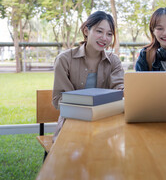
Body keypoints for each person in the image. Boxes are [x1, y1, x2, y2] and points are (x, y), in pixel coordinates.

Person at [52, 11, 124, 140]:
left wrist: (125, 92)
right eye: (99, 31)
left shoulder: (114, 61)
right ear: (86, 31)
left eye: (109, 34)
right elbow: (59, 99)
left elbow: (119, 90)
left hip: (106, 124)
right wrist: (88, 108)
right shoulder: (64, 59)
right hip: (71, 124)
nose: (104, 38)